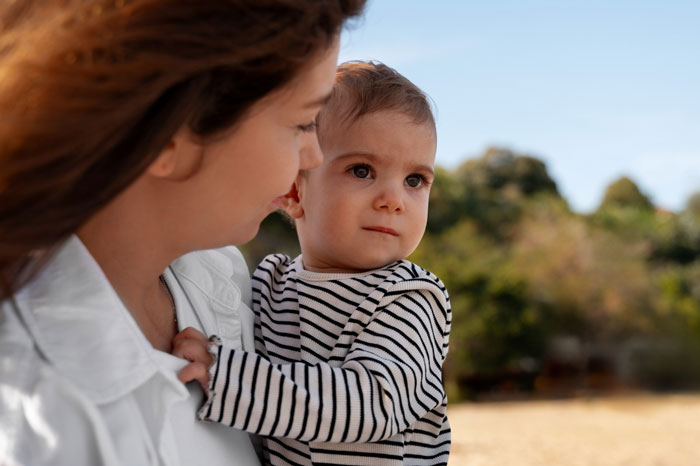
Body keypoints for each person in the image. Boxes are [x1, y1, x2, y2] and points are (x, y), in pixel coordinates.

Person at [0, 1, 366, 465]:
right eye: (301, 122)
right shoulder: (36, 424)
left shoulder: (223, 278)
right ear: (167, 133)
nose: (313, 155)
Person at [175, 61, 452, 466]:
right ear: (293, 191)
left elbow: (373, 405)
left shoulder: (409, 298)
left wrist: (230, 377)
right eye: (362, 170)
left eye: (415, 180)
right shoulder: (271, 284)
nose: (394, 198)